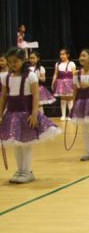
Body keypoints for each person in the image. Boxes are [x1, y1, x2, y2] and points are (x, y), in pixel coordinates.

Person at [0, 48, 61, 183]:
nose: (12, 64)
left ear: (23, 60)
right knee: (16, 144)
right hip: (11, 115)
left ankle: (27, 172)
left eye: (15, 61)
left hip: (26, 115)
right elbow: (3, 97)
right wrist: (0, 114)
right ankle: (20, 170)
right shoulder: (6, 77)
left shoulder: (30, 75)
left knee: (26, 144)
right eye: (10, 62)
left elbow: (35, 96)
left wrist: (34, 114)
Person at [51, 48, 76, 120]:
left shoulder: (71, 63)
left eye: (63, 54)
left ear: (68, 55)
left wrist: (75, 83)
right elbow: (55, 74)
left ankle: (70, 115)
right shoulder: (57, 64)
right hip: (60, 83)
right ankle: (63, 115)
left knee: (70, 98)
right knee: (63, 98)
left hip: (69, 83)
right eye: (61, 54)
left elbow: (74, 74)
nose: (62, 56)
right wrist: (53, 83)